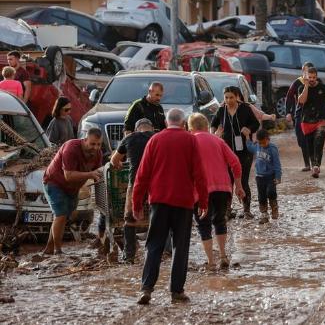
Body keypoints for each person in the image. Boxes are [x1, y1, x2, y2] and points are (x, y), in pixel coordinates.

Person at [133, 108, 208, 305]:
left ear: (166, 123)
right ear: (183, 124)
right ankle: (176, 292)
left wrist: (136, 202)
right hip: (183, 203)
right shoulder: (190, 140)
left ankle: (146, 289)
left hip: (159, 201)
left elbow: (142, 175)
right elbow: (199, 173)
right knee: (180, 247)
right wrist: (203, 201)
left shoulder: (155, 140)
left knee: (154, 245)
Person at [188, 113, 243, 270]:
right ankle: (224, 256)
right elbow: (236, 163)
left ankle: (211, 262)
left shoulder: (190, 142)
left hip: (200, 191)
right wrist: (238, 186)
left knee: (203, 225)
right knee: (220, 221)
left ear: (190, 128)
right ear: (206, 126)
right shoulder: (218, 141)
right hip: (223, 189)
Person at [42, 130, 104, 255]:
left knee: (63, 217)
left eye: (98, 144)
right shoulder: (71, 148)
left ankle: (48, 249)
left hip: (73, 188)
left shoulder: (98, 153)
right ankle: (58, 251)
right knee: (61, 215)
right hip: (54, 182)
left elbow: (98, 172)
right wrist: (90, 174)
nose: (95, 148)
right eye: (92, 144)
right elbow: (68, 175)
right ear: (84, 140)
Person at [110, 118, 155, 263]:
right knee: (159, 216)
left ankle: (129, 255)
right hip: (156, 183)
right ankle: (162, 253)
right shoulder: (157, 137)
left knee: (130, 219)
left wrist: (119, 164)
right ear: (151, 128)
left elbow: (114, 161)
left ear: (136, 129)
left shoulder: (129, 138)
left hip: (135, 182)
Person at [211, 86, 259, 218]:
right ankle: (227, 210)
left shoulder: (245, 109)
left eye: (231, 97)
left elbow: (256, 124)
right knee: (228, 181)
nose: (229, 100)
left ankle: (246, 210)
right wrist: (214, 134)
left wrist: (249, 129)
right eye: (226, 97)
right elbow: (213, 123)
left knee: (243, 180)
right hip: (226, 150)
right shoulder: (221, 110)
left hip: (244, 150)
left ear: (237, 97)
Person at [297, 67, 325, 178]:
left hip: (322, 119)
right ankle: (314, 164)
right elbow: (302, 101)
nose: (312, 79)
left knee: (318, 142)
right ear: (306, 77)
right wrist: (306, 86)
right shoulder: (301, 88)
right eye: (310, 77)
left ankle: (316, 166)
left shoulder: (323, 88)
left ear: (317, 76)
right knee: (310, 145)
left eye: (314, 77)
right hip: (307, 120)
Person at [247, 129, 282, 224]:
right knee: (261, 196)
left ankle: (274, 208)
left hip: (271, 176)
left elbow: (277, 164)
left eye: (263, 142)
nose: (262, 145)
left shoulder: (272, 148)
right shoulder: (257, 146)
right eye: (260, 143)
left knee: (271, 192)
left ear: (268, 139)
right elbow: (250, 147)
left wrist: (278, 177)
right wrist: (247, 137)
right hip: (259, 177)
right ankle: (264, 214)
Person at [286, 62, 314, 172]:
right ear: (303, 71)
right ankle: (307, 163)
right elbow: (288, 97)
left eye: (311, 72)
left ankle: (312, 163)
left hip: (312, 115)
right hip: (299, 114)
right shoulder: (297, 83)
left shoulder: (316, 83)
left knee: (312, 139)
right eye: (307, 71)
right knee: (301, 140)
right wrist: (288, 112)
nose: (308, 74)